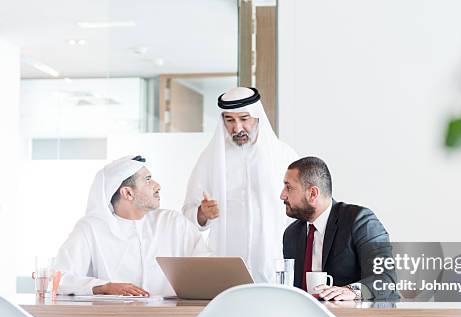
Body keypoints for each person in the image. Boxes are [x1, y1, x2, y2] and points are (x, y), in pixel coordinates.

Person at [182, 87, 297, 282]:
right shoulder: (210, 159)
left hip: (272, 260)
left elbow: (301, 210)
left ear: (257, 117)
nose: (237, 128)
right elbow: (188, 214)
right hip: (226, 260)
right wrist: (202, 213)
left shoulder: (283, 156)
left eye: (244, 119)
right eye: (230, 120)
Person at [56, 155, 210, 297]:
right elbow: (59, 279)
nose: (158, 186)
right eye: (148, 180)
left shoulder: (173, 222)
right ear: (128, 193)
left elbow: (207, 265)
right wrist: (104, 287)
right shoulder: (90, 229)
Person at [280, 156, 397, 301]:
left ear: (312, 194)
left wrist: (352, 291)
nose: (282, 195)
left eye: (289, 187)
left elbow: (385, 280)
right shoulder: (292, 234)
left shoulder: (360, 221)